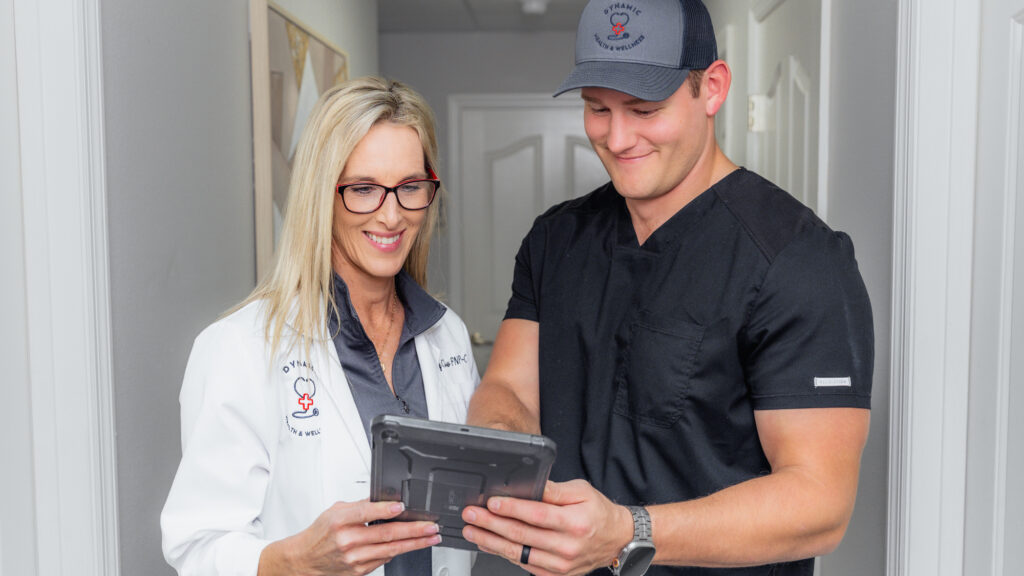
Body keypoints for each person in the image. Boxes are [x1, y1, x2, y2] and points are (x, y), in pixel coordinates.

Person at [460, 1, 873, 575]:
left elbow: (820, 503)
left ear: (712, 88)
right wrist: (505, 464)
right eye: (597, 109)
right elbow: (509, 386)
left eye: (645, 109)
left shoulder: (798, 259)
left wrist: (627, 533)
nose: (618, 137)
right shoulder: (555, 238)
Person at [161, 77, 479, 576]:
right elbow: (196, 547)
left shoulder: (447, 336)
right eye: (364, 189)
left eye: (411, 187)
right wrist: (295, 561)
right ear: (321, 195)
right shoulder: (239, 349)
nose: (392, 215)